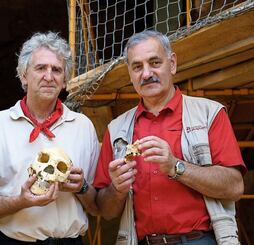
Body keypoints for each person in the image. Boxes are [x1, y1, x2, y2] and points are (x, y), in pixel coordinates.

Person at [94, 30, 246, 245]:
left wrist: (177, 167)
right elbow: (105, 210)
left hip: (200, 240)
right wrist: (116, 189)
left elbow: (235, 187)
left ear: (172, 63)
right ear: (130, 74)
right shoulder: (116, 129)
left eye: (155, 62)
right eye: (137, 66)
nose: (146, 73)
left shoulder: (209, 114)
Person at [0, 32, 100, 245]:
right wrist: (20, 201)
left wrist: (82, 187)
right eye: (41, 68)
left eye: (57, 70)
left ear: (64, 81)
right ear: (24, 75)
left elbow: (97, 206)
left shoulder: (83, 126)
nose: (49, 76)